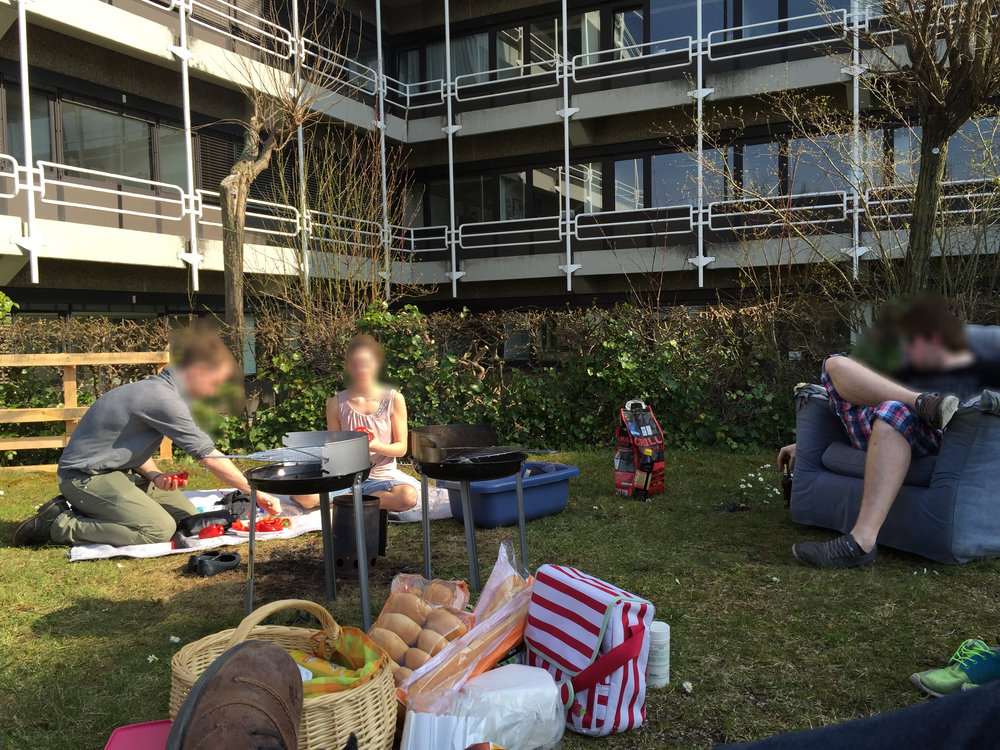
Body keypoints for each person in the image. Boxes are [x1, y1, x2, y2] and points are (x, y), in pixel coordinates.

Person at [778, 295, 1000, 568]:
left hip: (932, 435)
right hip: (876, 431)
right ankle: (920, 402)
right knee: (835, 363)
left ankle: (860, 542)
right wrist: (804, 445)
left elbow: (977, 413)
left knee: (893, 410)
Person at [13, 326, 282, 548]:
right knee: (158, 530)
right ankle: (58, 525)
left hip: (115, 473)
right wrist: (256, 492)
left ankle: (101, 512)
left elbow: (125, 446)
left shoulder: (160, 392)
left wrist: (154, 475)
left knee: (187, 520)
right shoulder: (162, 399)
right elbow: (208, 456)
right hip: (83, 478)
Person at [293, 334, 417, 513]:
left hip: (381, 479)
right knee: (302, 497)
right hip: (345, 477)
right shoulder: (336, 403)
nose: (361, 370)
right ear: (348, 367)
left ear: (376, 365)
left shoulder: (394, 399)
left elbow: (401, 448)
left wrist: (377, 446)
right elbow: (333, 449)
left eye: (366, 364)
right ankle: (360, 501)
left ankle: (344, 503)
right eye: (354, 365)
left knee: (407, 496)